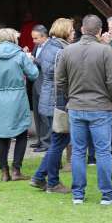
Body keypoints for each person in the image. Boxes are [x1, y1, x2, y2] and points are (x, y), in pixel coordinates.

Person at [56, 15, 112, 205]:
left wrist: (71, 96)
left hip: (76, 106)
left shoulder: (68, 50)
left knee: (78, 152)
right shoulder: (105, 51)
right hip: (100, 107)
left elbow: (60, 81)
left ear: (82, 29)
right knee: (102, 152)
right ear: (100, 31)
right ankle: (107, 194)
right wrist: (110, 99)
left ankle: (78, 194)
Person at [0, 28, 39, 182]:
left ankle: (4, 172)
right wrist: (29, 61)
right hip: (17, 96)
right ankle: (16, 170)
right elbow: (34, 74)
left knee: (1, 134)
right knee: (21, 133)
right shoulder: (20, 55)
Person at [30, 18, 76, 194]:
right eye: (71, 30)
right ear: (64, 31)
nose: (74, 33)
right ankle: (50, 181)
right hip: (57, 101)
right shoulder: (60, 51)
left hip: (49, 99)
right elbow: (60, 80)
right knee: (59, 142)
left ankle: (41, 177)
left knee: (58, 141)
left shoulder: (50, 47)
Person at [30, 24, 50, 152]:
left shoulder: (50, 47)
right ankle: (40, 139)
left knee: (45, 115)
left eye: (36, 38)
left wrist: (34, 59)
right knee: (37, 114)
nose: (34, 41)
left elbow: (47, 65)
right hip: (36, 83)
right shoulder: (37, 45)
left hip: (45, 85)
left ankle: (46, 142)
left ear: (44, 37)